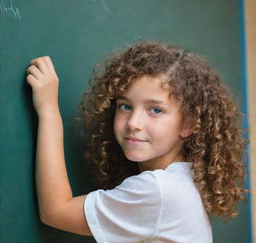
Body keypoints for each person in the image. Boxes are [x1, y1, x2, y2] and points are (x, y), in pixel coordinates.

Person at [26, 41, 248, 243]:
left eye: (156, 110)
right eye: (125, 106)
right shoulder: (182, 178)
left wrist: (48, 109)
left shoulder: (160, 190)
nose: (134, 122)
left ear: (188, 125)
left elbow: (55, 212)